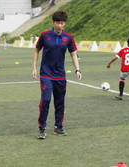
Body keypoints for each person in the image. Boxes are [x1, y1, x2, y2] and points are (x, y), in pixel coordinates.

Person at [32, 11, 82, 139]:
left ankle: (58, 127)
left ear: (64, 23)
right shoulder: (44, 35)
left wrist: (77, 69)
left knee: (60, 102)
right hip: (46, 74)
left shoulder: (69, 37)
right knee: (46, 100)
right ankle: (42, 128)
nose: (60, 25)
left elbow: (73, 53)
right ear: (53, 23)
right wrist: (34, 67)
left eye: (62, 23)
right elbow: (37, 50)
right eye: (58, 23)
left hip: (60, 75)